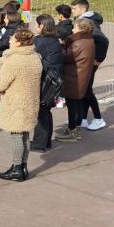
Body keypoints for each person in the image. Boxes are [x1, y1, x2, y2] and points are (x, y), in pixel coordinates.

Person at [0, 28, 43, 182]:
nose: (9, 40)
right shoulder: (35, 57)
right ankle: (22, 167)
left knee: (17, 135)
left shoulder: (14, 61)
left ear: (19, 43)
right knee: (25, 134)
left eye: (12, 38)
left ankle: (17, 168)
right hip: (30, 101)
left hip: (16, 103)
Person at [55, 19, 96, 142]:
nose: (72, 29)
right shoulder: (88, 40)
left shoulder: (79, 43)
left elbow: (66, 57)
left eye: (75, 27)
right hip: (79, 75)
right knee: (77, 103)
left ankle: (72, 130)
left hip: (74, 77)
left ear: (82, 29)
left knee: (72, 105)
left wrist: (61, 45)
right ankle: (75, 129)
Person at [71, 0, 109, 131]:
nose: (72, 11)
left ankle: (99, 119)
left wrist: (98, 59)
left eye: (74, 8)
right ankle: (82, 119)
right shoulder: (84, 20)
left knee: (86, 91)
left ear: (83, 9)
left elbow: (103, 40)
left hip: (90, 63)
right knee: (84, 89)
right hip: (86, 61)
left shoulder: (88, 22)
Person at [30, 15, 63, 151]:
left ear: (42, 26)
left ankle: (39, 144)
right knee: (46, 111)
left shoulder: (41, 41)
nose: (35, 27)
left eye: (36, 24)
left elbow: (32, 58)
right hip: (53, 80)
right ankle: (46, 141)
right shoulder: (54, 39)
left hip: (46, 81)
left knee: (41, 112)